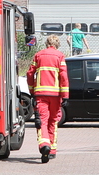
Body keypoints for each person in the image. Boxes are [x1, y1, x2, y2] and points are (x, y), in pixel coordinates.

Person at [27, 35, 71, 164]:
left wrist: (32, 90)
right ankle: (52, 151)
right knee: (53, 121)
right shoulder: (60, 56)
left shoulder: (38, 55)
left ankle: (44, 145)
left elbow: (30, 74)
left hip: (41, 94)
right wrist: (65, 96)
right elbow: (63, 76)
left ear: (46, 43)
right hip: (56, 96)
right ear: (57, 44)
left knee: (42, 121)